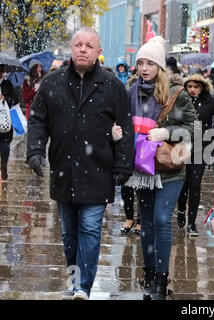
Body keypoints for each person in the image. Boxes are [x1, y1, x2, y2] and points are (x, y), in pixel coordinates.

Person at [26, 27, 134, 300]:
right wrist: (36, 150)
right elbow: (38, 119)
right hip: (64, 168)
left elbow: (125, 126)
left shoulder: (112, 85)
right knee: (69, 234)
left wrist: (123, 164)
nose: (83, 49)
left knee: (89, 229)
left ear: (99, 52)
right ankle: (74, 281)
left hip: (98, 170)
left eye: (89, 45)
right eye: (78, 44)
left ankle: (83, 287)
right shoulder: (53, 82)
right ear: (71, 49)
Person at [122, 36, 197, 300]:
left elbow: (195, 129)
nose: (144, 68)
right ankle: (151, 274)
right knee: (147, 224)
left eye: (150, 63)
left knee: (162, 219)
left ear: (160, 67)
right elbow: (122, 119)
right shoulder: (131, 90)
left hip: (169, 167)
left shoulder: (177, 94)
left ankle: (162, 280)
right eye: (140, 62)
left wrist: (167, 130)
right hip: (142, 167)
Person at [176, 73, 214, 236]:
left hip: (202, 146)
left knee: (195, 183)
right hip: (183, 144)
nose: (192, 90)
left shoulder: (211, 100)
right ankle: (181, 212)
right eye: (189, 86)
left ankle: (192, 223)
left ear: (202, 87)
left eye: (196, 87)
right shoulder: (181, 99)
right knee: (182, 183)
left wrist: (213, 133)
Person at [0, 66, 20, 182]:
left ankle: (4, 168)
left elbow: (15, 100)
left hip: (5, 122)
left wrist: (4, 98)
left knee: (4, 147)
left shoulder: (7, 84)